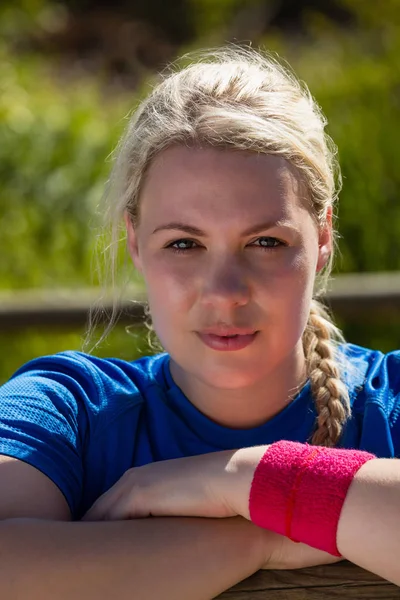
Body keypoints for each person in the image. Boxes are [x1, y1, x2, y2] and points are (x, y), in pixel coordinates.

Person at [0, 45, 399, 598]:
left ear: (324, 236)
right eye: (184, 243)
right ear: (135, 242)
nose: (226, 293)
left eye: (265, 242)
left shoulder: (393, 398)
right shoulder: (68, 409)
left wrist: (241, 478)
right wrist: (258, 539)